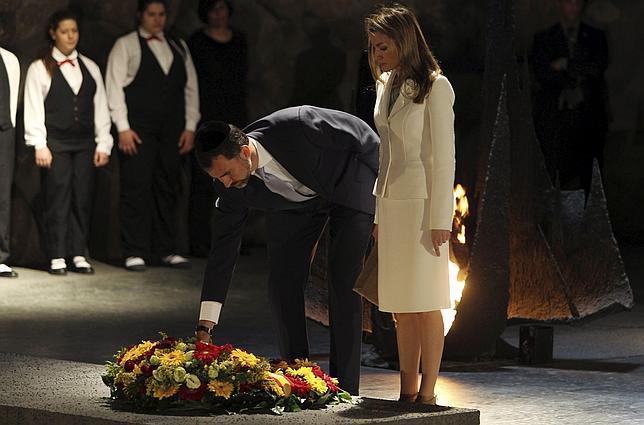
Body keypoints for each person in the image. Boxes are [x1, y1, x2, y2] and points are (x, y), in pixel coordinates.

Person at [192, 106, 379, 395]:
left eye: (226, 174)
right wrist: (206, 323)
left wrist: (386, 195)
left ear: (244, 153)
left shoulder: (299, 125)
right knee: (281, 283)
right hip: (296, 206)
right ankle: (299, 379)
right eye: (218, 179)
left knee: (343, 281)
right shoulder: (227, 185)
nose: (225, 183)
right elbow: (223, 249)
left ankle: (346, 389)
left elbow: (363, 136)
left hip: (347, 186)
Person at [365, 3, 455, 404]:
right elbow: (385, 155)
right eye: (374, 47)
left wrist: (441, 218)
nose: (377, 54)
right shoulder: (387, 85)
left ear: (404, 42)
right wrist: (379, 213)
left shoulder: (437, 86)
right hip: (393, 204)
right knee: (402, 305)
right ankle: (407, 388)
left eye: (383, 46)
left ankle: (430, 390)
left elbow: (443, 157)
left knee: (426, 300)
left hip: (422, 207)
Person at [106, 0, 200, 271]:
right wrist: (122, 127)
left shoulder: (178, 46)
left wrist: (190, 126)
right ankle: (134, 250)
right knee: (136, 188)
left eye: (161, 14)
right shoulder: (126, 45)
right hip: (139, 130)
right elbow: (114, 87)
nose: (157, 20)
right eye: (152, 14)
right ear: (140, 15)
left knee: (168, 187)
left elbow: (190, 89)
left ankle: (166, 249)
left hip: (172, 130)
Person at [24, 9, 113, 275]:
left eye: (74, 31)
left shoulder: (90, 66)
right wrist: (39, 144)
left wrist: (103, 143)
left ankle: (78, 252)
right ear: (53, 33)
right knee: (57, 196)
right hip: (57, 144)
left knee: (82, 197)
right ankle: (57, 254)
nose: (70, 36)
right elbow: (33, 108)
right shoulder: (40, 67)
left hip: (85, 142)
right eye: (64, 31)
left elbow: (101, 107)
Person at [187, 0, 248, 257]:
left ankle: (232, 242)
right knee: (204, 180)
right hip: (207, 117)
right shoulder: (196, 42)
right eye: (213, 9)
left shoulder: (239, 40)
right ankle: (199, 241)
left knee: (238, 178)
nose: (219, 14)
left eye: (222, 8)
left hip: (233, 116)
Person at [532, 0, 608, 193]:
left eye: (576, 3)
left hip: (588, 116)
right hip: (557, 117)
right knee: (557, 170)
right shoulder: (545, 38)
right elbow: (542, 73)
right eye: (569, 3)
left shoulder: (594, 37)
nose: (573, 8)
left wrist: (566, 64)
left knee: (588, 172)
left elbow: (597, 67)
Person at [0, 44, 20, 278]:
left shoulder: (10, 59)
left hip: (4, 131)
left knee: (2, 194)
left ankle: (1, 254)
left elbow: (12, 96)